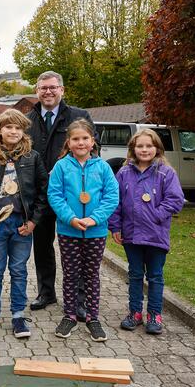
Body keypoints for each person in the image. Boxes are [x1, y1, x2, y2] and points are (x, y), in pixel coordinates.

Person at [0, 109, 49, 339]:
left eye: (18, 128)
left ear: (23, 131)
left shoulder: (32, 157)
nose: (13, 131)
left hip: (22, 224)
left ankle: (17, 316)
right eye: (8, 127)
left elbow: (44, 190)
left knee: (19, 270)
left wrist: (34, 221)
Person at [26, 70, 98, 315]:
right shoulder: (29, 120)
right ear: (37, 91)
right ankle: (46, 292)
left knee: (76, 246)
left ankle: (79, 299)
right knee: (42, 246)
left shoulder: (79, 116)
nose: (47, 91)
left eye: (52, 87)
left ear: (62, 90)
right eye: (43, 88)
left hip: (73, 197)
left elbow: (92, 151)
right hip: (41, 196)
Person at [47, 119, 119, 341]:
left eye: (85, 138)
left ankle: (92, 317)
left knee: (91, 275)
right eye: (76, 139)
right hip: (69, 231)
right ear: (68, 143)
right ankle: (70, 315)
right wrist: (71, 218)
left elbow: (111, 197)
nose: (80, 142)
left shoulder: (103, 167)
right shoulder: (61, 167)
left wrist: (93, 219)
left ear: (92, 141)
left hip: (95, 232)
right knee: (70, 274)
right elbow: (55, 195)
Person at [108, 129, 184, 335]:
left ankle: (154, 314)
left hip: (156, 235)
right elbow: (115, 202)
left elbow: (175, 200)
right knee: (134, 274)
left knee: (155, 276)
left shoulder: (166, 173)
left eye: (149, 146)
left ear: (157, 148)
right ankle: (135, 313)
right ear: (133, 149)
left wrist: (157, 215)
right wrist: (115, 226)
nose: (144, 149)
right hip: (131, 235)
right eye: (139, 146)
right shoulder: (124, 173)